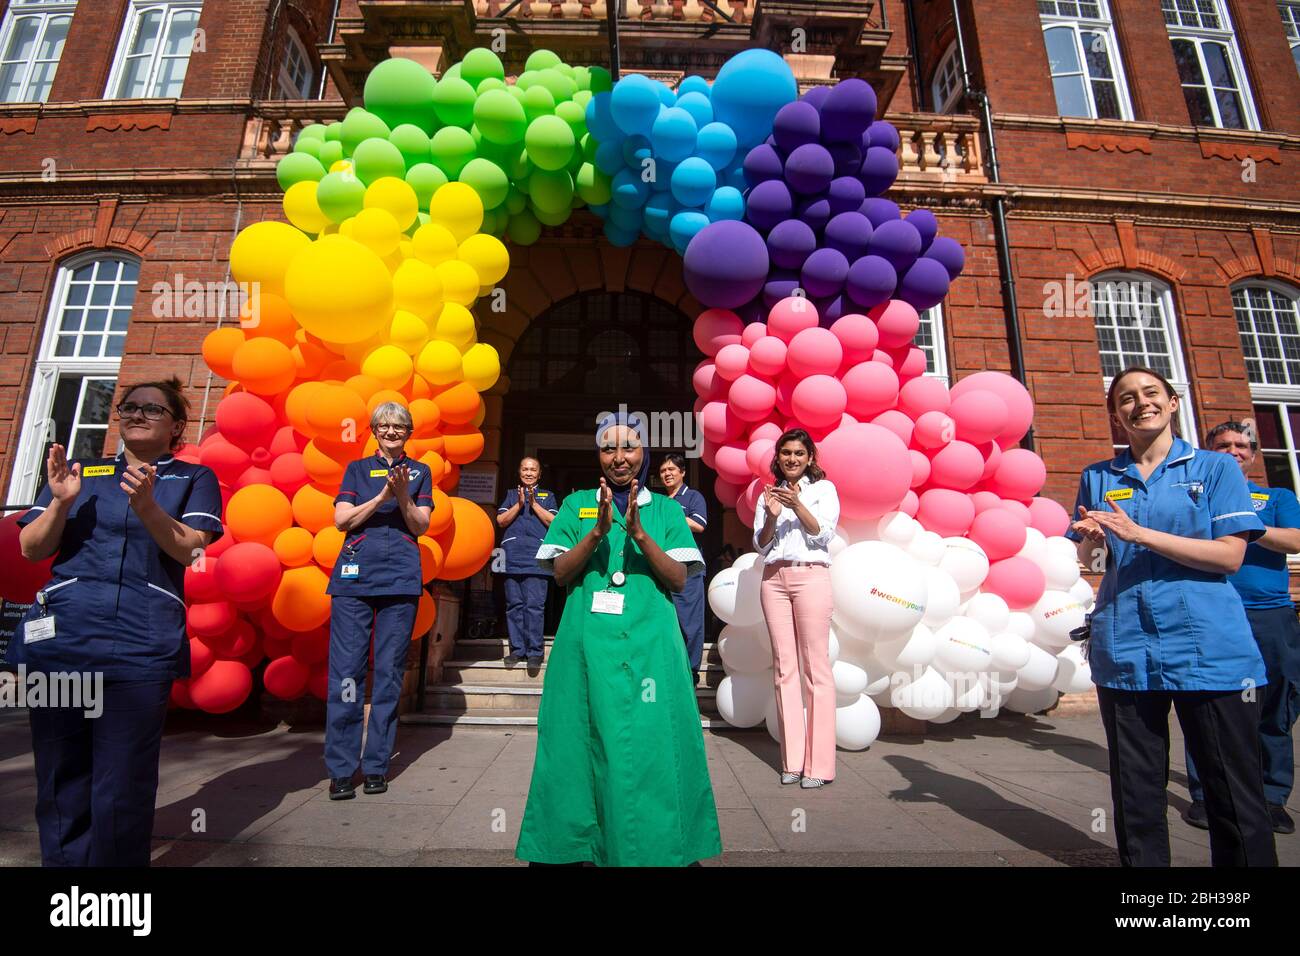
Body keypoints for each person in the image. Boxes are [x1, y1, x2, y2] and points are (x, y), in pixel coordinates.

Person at [9, 377, 223, 866]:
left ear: (176, 426)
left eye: (152, 409)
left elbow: (191, 550)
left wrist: (146, 507)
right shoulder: (81, 472)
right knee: (61, 777)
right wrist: (61, 500)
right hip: (63, 645)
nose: (136, 415)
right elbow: (31, 548)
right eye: (128, 407)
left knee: (123, 780)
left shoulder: (192, 478)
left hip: (139, 648)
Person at [1068, 366, 1276, 867]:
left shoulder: (1215, 469)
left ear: (1173, 402)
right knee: (1136, 798)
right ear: (1116, 414)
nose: (1140, 404)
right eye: (1125, 399)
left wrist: (1140, 534)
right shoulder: (1099, 476)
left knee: (1232, 795)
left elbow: (1229, 556)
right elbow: (1094, 565)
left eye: (1150, 393)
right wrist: (1093, 546)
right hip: (1126, 648)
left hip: (1210, 649)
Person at [515, 412, 722, 866]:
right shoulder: (576, 504)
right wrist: (597, 532)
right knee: (578, 740)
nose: (619, 457)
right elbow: (561, 573)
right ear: (599, 456)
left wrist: (641, 535)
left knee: (652, 743)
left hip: (650, 645)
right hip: (585, 646)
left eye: (628, 447)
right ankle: (580, 844)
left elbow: (679, 581)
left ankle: (658, 841)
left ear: (642, 452)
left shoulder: (667, 509)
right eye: (609, 449)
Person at [1179, 421, 1300, 835]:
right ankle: (1205, 795)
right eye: (1222, 445)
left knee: (1274, 708)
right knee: (1206, 704)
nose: (1233, 451)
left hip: (1270, 616)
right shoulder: (1196, 497)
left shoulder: (1276, 497)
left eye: (1241, 445)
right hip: (1212, 613)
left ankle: (1271, 795)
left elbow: (1296, 540)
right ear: (1208, 452)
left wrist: (1246, 523)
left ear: (1252, 454)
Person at [325, 402, 432, 801]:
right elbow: (342, 520)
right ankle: (340, 769)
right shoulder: (356, 470)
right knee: (347, 676)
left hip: (401, 581)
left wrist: (403, 496)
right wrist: (384, 494)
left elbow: (420, 524)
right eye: (384, 426)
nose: (391, 431)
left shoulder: (421, 472)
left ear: (409, 431)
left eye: (399, 426)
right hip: (354, 582)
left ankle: (376, 766)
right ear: (372, 430)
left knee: (388, 675)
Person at [753, 428, 841, 790]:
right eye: (786, 453)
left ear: (809, 458)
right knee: (783, 669)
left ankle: (819, 766)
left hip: (810, 577)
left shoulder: (824, 490)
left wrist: (797, 505)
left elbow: (823, 534)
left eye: (799, 454)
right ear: (778, 457)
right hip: (773, 579)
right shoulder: (767, 493)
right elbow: (760, 545)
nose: (791, 459)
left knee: (815, 669)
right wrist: (772, 515)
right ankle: (792, 761)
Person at [496, 457, 558, 668]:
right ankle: (517, 650)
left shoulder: (548, 496)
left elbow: (553, 522)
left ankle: (534, 652)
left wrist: (533, 504)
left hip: (537, 558)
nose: (529, 473)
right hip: (512, 556)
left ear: (539, 474)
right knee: (514, 605)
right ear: (519, 472)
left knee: (534, 606)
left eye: (533, 470)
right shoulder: (511, 495)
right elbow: (501, 521)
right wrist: (520, 504)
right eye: (525, 469)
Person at [659, 453, 709, 682]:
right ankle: (669, 666)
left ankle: (691, 670)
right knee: (667, 621)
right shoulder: (659, 501)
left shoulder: (693, 497)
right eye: (663, 471)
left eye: (671, 470)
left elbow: (699, 525)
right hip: (663, 568)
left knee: (690, 622)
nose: (667, 474)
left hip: (689, 569)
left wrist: (672, 512)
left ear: (682, 473)